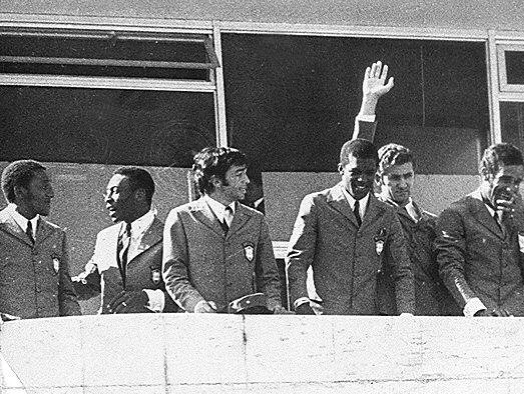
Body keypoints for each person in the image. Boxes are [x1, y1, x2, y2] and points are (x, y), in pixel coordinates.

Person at [351, 61, 459, 316]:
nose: (403, 184)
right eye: (394, 178)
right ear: (378, 179)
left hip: (432, 317)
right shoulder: (372, 214)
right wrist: (369, 102)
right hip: (389, 315)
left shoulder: (432, 222)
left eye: (408, 176)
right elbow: (357, 156)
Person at [286, 138, 415, 315]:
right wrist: (301, 302)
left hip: (368, 317)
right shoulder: (317, 204)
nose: (362, 179)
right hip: (323, 315)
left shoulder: (386, 213)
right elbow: (297, 259)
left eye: (369, 173)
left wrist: (406, 313)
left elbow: (401, 269)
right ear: (341, 169)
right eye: (355, 172)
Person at [163, 147, 285, 314]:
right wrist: (196, 304)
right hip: (199, 324)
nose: (247, 180)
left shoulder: (256, 220)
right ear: (216, 181)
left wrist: (273, 303)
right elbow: (174, 274)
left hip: (246, 322)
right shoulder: (182, 217)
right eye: (238, 174)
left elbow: (268, 276)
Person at [436, 143, 524, 317]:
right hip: (478, 320)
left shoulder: (522, 218)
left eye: (517, 182)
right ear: (486, 174)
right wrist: (476, 309)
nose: (512, 189)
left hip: (518, 321)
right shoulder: (457, 213)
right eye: (506, 180)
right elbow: (450, 270)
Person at [73, 167, 178, 314]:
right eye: (107, 193)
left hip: (152, 332)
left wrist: (148, 298)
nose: (107, 198)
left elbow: (184, 293)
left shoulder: (170, 236)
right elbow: (90, 284)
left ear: (140, 194)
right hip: (110, 332)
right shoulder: (105, 237)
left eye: (115, 191)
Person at [0, 160, 80, 319]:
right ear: (20, 191)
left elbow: (66, 294)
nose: (51, 194)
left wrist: (74, 328)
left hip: (50, 337)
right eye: (44, 187)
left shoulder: (56, 234)